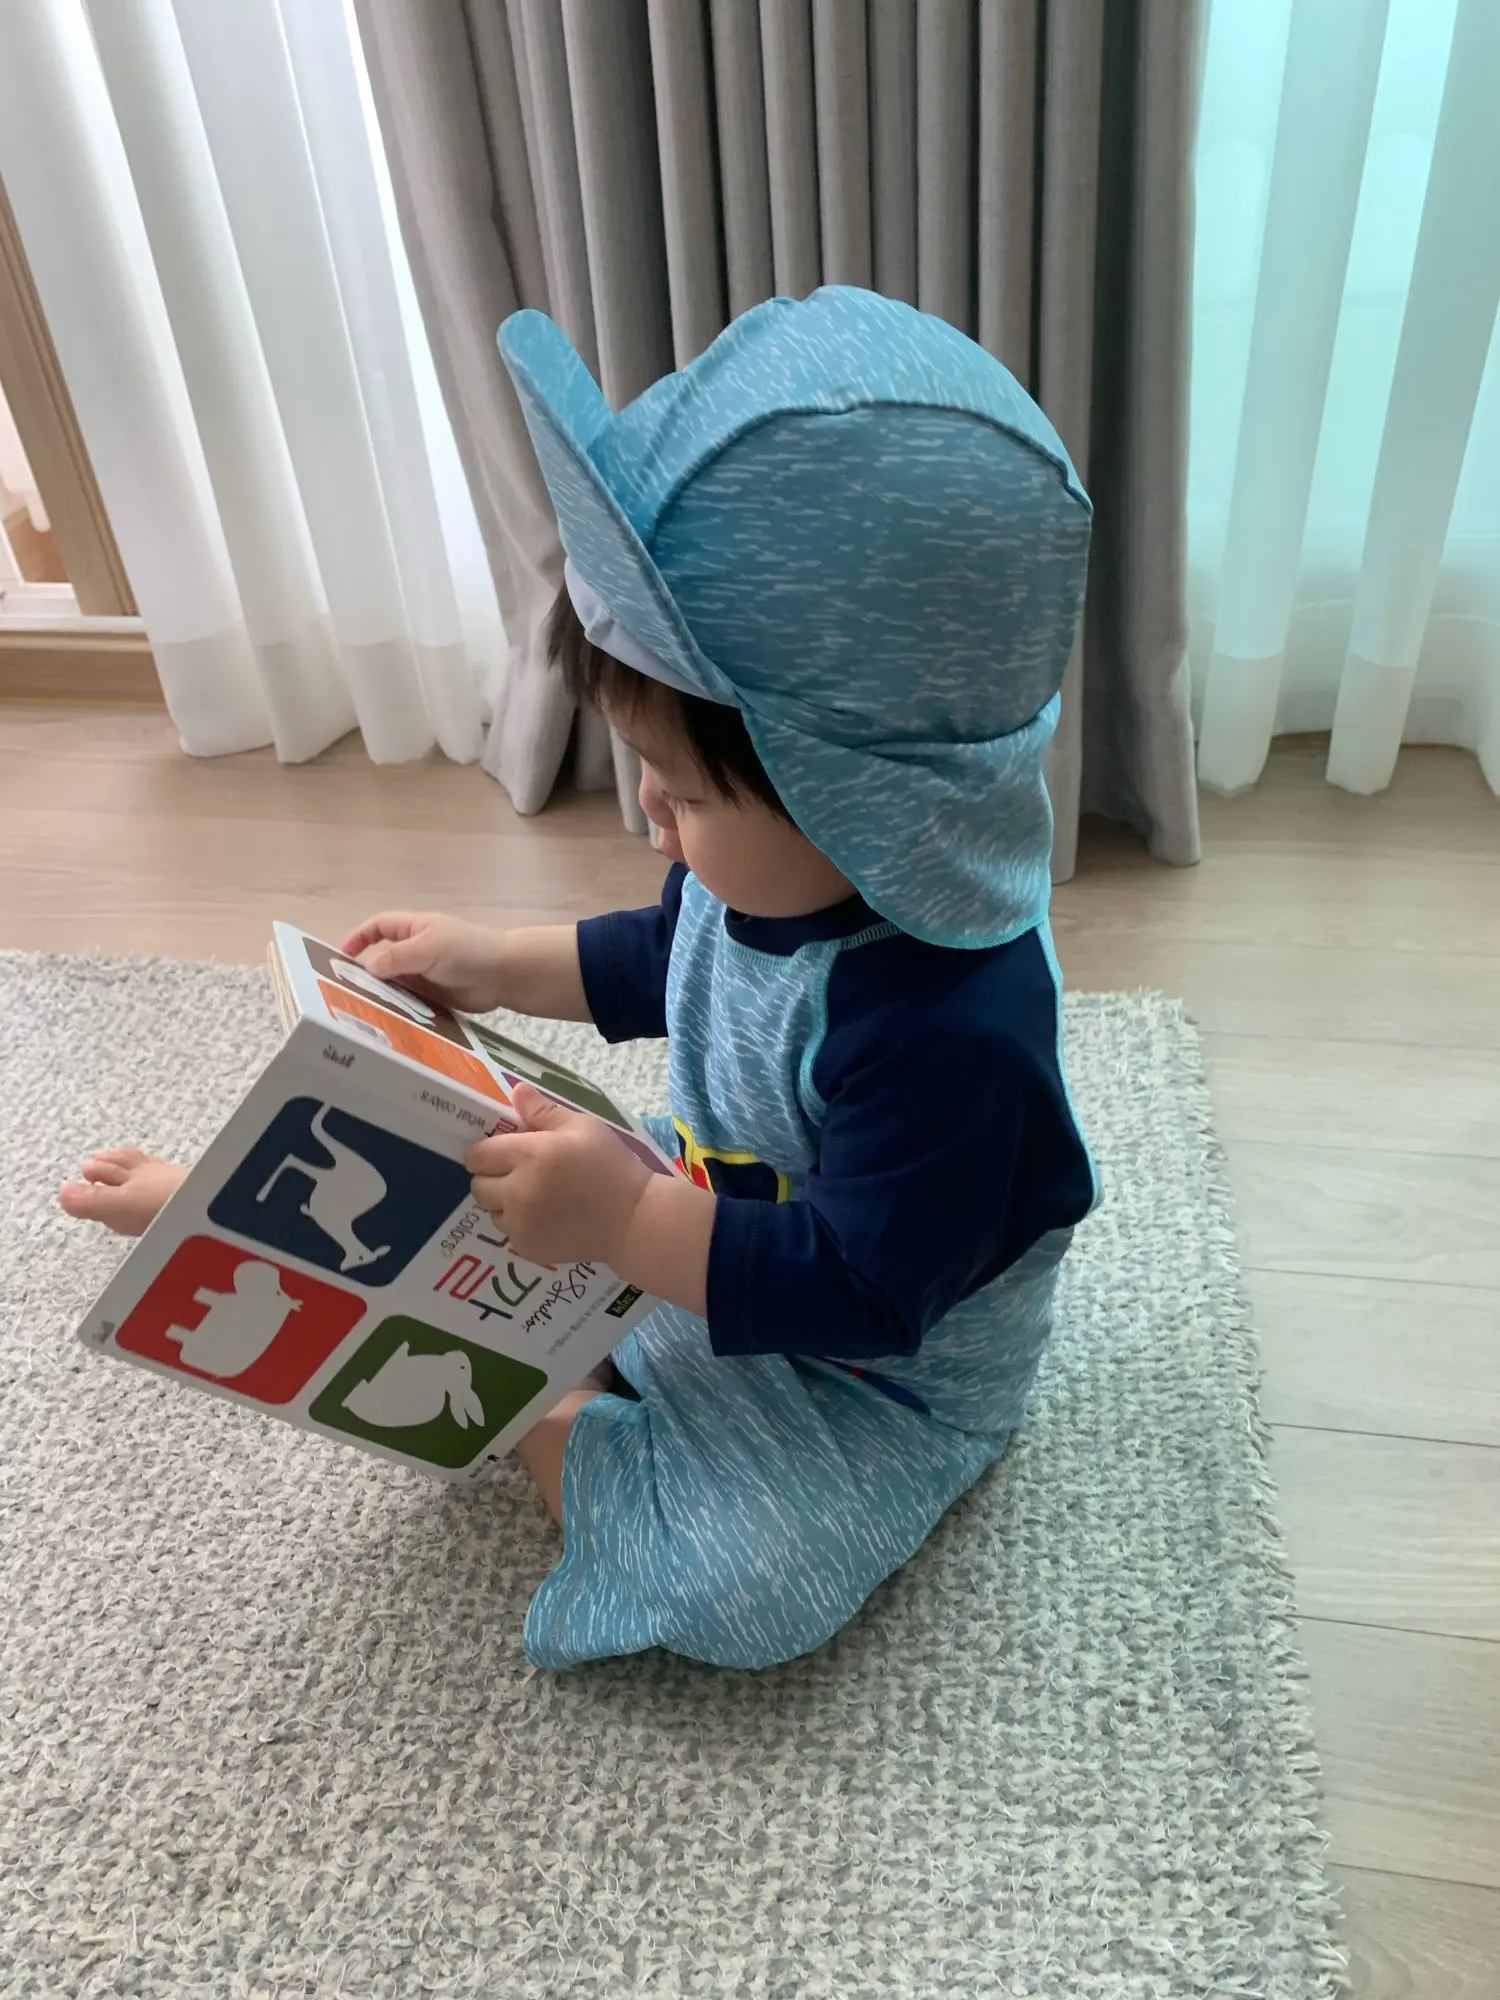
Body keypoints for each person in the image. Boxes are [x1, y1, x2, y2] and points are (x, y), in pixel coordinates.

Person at [59, 287, 1098, 1671]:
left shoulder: (958, 1037)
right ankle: (238, 1220)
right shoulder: (770, 875)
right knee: (504, 1168)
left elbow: (863, 1289)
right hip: (700, 1213)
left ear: (860, 805)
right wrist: (491, 964)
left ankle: (541, 1414)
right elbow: (663, 955)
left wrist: (624, 1223)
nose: (649, 811)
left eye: (681, 789)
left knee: (749, 1596)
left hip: (864, 1377)